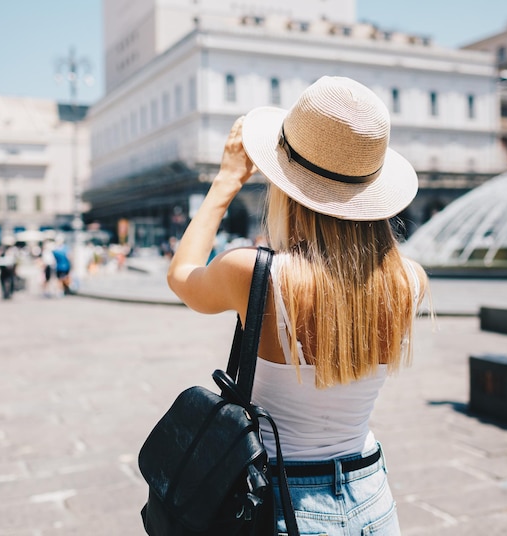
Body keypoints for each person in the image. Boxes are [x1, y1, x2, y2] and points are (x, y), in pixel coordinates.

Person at [166, 76, 429, 535]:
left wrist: (227, 181)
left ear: (288, 186)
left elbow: (181, 275)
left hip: (280, 502)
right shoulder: (409, 280)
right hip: (373, 498)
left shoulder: (254, 274)